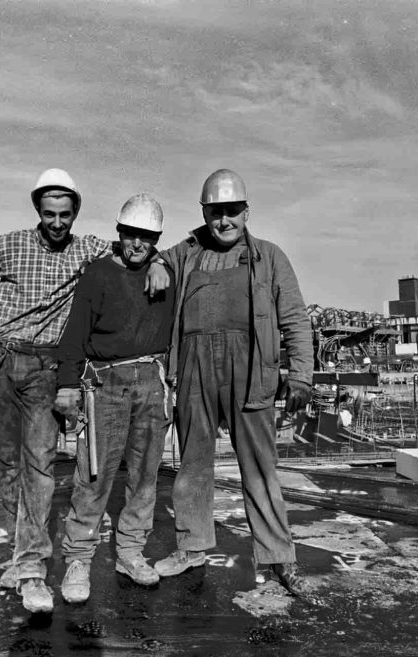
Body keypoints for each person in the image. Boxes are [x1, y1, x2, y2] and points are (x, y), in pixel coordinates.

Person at [145, 169, 314, 596]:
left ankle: (279, 558)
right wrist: (157, 265)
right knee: (193, 466)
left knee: (260, 470)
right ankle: (191, 547)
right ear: (204, 212)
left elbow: (295, 319)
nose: (224, 221)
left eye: (232, 212)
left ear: (246, 211)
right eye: (216, 212)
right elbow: (150, 256)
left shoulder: (270, 257)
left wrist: (301, 377)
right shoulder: (186, 252)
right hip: (195, 370)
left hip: (252, 370)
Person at [0, 168, 111, 613]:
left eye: (65, 214)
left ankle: (33, 570)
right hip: (2, 362)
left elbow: (131, 251)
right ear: (37, 211)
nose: (57, 222)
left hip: (46, 367)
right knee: (7, 466)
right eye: (49, 214)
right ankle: (20, 551)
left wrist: (157, 263)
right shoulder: (7, 244)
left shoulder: (89, 247)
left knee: (40, 465)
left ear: (75, 211)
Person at [53, 193, 176, 604]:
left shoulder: (165, 273)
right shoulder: (98, 274)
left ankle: (130, 553)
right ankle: (78, 559)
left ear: (157, 239)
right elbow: (74, 334)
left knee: (144, 475)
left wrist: (161, 265)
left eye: (148, 238)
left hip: (151, 381)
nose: (138, 244)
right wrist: (68, 385)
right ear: (119, 233)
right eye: (131, 235)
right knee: (93, 474)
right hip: (104, 383)